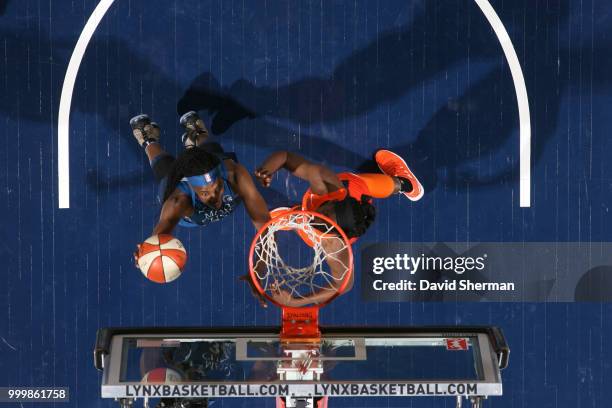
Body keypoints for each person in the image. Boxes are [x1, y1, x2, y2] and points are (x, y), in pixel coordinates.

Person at [253, 149, 423, 307]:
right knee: (358, 182)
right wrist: (268, 169)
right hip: (352, 188)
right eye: (325, 212)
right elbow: (286, 157)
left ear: (333, 233)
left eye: (323, 222)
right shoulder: (329, 186)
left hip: (331, 230)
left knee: (303, 224)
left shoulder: (333, 247)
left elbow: (343, 284)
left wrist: (297, 301)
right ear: (333, 201)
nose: (317, 216)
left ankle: (405, 183)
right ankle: (405, 183)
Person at [130, 110, 271, 259]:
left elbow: (264, 227)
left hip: (213, 163)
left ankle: (197, 133)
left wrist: (262, 266)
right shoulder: (178, 201)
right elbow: (160, 236)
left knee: (212, 151)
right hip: (184, 200)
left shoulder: (235, 175)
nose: (215, 197)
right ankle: (148, 139)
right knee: (165, 169)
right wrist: (148, 252)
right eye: (205, 193)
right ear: (192, 188)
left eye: (217, 188)